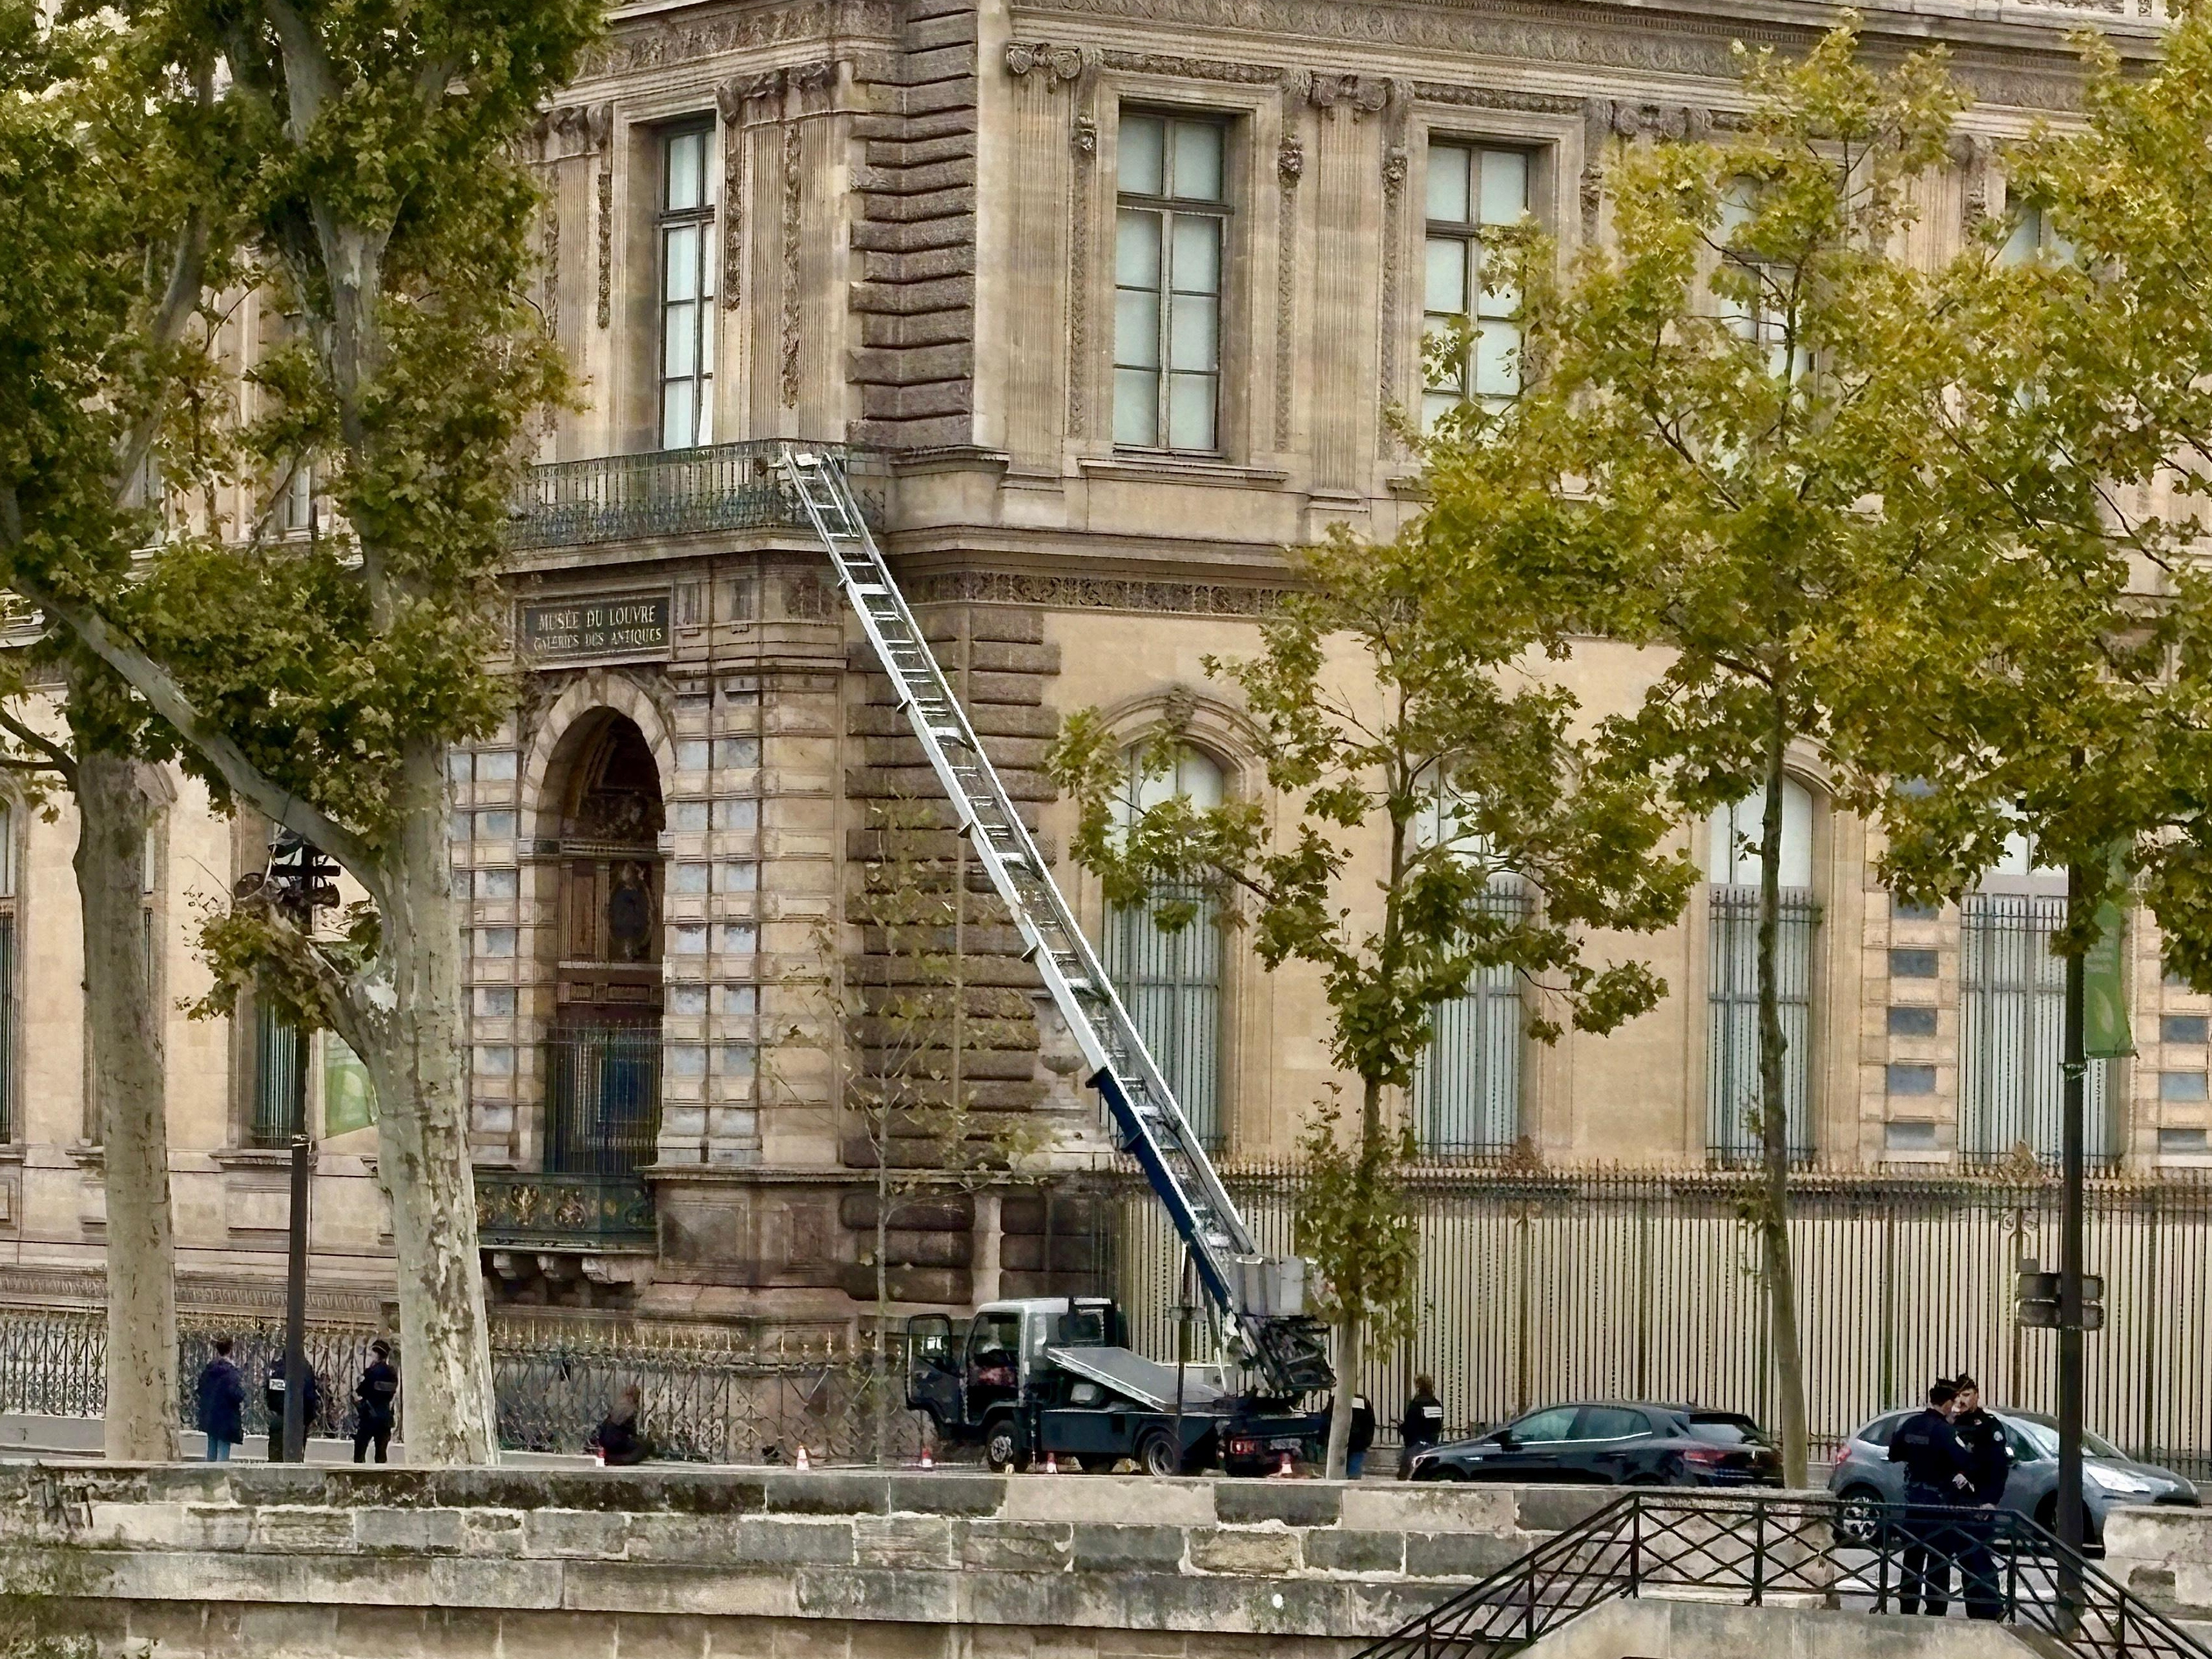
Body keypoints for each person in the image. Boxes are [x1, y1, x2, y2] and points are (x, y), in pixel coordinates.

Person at [1888, 1377, 1974, 1616]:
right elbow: (1964, 1460)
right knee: (1939, 1560)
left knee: (1912, 1558)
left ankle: (1908, 1605)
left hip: (1914, 1501)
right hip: (1939, 1504)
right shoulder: (1945, 1431)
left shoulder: (1910, 1424)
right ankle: (1935, 1609)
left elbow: (1894, 1453)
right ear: (1947, 1404)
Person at [1948, 1374, 2010, 1622]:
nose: (1962, 1401)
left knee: (1980, 1557)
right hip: (1954, 1502)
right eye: (1958, 1396)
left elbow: (1998, 1467)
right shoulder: (1950, 1424)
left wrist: (1990, 1500)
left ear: (1976, 1395)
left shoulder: (1988, 1426)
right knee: (1965, 1561)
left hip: (1979, 1501)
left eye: (1966, 1395)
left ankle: (1992, 1608)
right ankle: (1974, 1611)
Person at [194, 1337, 245, 1463]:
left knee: (211, 1449)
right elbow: (236, 1394)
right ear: (231, 1351)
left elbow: (200, 1389)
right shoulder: (231, 1373)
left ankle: (209, 1479)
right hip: (226, 1417)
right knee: (223, 1451)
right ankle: (220, 1479)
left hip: (210, 1415)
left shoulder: (209, 1370)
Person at [264, 1355, 322, 1463]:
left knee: (275, 1459)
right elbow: (310, 1396)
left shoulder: (277, 1369)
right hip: (298, 1420)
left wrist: (274, 1409)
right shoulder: (304, 1369)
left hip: (279, 1418)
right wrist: (308, 1418)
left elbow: (269, 1393)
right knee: (294, 1460)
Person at [352, 1340, 399, 1465]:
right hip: (385, 1417)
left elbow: (361, 1390)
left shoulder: (372, 1372)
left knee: (360, 1450)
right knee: (381, 1454)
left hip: (369, 1416)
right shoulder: (392, 1373)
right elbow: (391, 1392)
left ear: (376, 1354)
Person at [589, 1383, 650, 1467]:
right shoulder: (631, 1408)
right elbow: (630, 1430)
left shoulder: (618, 1404)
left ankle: (611, 1457)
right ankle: (620, 1460)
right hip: (616, 1440)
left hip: (606, 1439)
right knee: (644, 1447)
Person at [1399, 1376, 1445, 1479]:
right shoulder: (1436, 1404)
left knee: (1406, 1474)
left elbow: (1410, 1426)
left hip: (1416, 1443)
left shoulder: (1416, 1404)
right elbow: (1437, 1425)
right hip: (1432, 1444)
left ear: (1419, 1387)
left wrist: (1402, 1428)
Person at [1346, 1394, 1376, 1480]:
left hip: (1347, 1442)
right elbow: (1370, 1421)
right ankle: (1353, 1489)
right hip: (1359, 1442)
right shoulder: (1362, 1400)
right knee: (1354, 1471)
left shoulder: (1337, 1399)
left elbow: (1327, 1418)